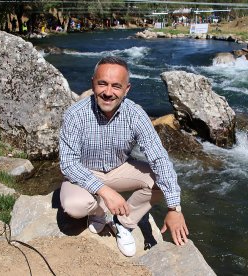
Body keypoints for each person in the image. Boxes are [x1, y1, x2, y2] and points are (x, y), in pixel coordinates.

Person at [59, 56, 189, 257]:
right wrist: (105, 192)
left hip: (119, 168)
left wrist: (174, 208)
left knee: (162, 182)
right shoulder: (75, 114)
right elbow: (68, 163)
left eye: (116, 86)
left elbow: (160, 158)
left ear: (127, 89)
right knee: (74, 206)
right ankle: (98, 211)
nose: (108, 92)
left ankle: (124, 223)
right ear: (93, 83)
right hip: (84, 172)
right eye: (102, 84)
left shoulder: (136, 115)